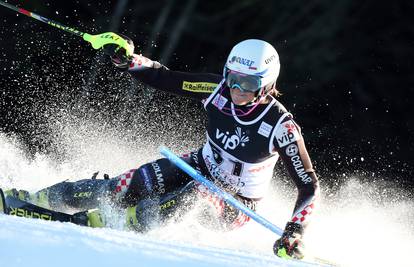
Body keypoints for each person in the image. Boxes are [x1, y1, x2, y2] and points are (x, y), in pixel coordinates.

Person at [3, 37, 320, 260]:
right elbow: (165, 79)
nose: (236, 90)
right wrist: (130, 61)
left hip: (237, 201)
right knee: (125, 185)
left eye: (247, 84)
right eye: (232, 79)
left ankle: (99, 224)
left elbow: (309, 185)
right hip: (200, 165)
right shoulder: (217, 90)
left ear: (266, 84)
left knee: (198, 194)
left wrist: (295, 230)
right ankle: (31, 199)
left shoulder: (281, 126)